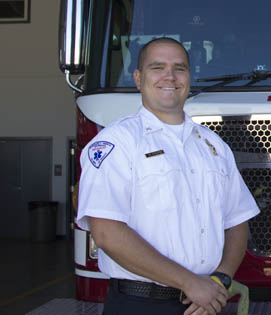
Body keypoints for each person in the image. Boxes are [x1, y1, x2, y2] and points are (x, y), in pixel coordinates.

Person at [76, 37, 260, 315]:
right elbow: (106, 233)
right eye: (157, 67)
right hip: (140, 304)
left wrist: (220, 279)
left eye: (180, 68)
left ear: (189, 77)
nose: (170, 76)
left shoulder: (213, 145)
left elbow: (236, 222)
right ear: (138, 79)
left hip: (205, 304)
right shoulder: (117, 143)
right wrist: (189, 282)